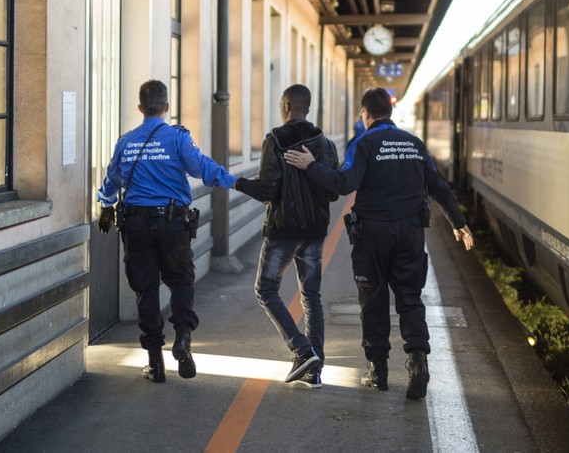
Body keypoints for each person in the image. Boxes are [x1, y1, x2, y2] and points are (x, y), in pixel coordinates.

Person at [283, 87, 474, 400]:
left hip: (373, 235)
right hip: (411, 234)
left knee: (373, 301)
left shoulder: (365, 143)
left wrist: (311, 166)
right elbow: (438, 187)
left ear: (365, 113)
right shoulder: (414, 143)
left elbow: (345, 183)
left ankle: (378, 373)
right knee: (410, 299)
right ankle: (417, 364)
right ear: (390, 111)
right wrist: (459, 223)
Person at [96, 79, 238, 383]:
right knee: (181, 280)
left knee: (145, 290)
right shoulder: (177, 138)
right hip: (172, 223)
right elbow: (203, 168)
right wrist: (235, 181)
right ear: (166, 107)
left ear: (139, 108)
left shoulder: (126, 141)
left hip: (135, 225)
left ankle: (154, 363)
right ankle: (183, 337)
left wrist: (106, 206)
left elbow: (111, 182)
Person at [234, 84, 339, 388]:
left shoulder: (276, 140)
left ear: (288, 106)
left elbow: (268, 191)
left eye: (282, 104)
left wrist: (240, 183)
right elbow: (333, 191)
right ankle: (314, 369)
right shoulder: (326, 144)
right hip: (315, 231)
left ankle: (301, 348)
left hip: (282, 230)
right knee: (311, 297)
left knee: (265, 289)